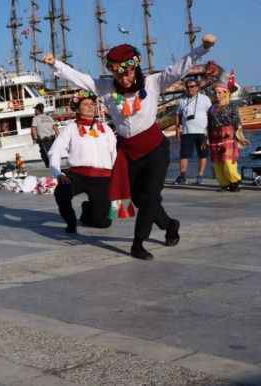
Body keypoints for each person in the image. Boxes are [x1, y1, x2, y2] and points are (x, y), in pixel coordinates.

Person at [43, 33, 217, 260]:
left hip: (155, 150)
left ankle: (138, 244)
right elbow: (80, 78)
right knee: (139, 199)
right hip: (128, 153)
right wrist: (55, 63)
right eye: (118, 74)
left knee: (151, 196)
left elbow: (179, 67)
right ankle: (170, 224)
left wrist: (203, 48)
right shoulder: (106, 88)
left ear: (135, 68)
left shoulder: (153, 83)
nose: (124, 79)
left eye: (127, 73)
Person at [49, 92, 117, 233]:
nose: (90, 107)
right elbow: (55, 151)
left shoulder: (106, 128)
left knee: (102, 222)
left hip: (102, 177)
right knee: (61, 192)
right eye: (85, 104)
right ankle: (71, 221)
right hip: (78, 175)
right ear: (78, 109)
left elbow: (115, 153)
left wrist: (117, 176)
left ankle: (88, 209)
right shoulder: (71, 128)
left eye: (92, 104)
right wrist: (58, 174)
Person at [207, 78, 249, 192]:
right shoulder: (211, 108)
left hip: (228, 137)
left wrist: (239, 136)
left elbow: (237, 122)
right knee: (217, 163)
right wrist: (207, 138)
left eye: (219, 92)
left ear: (226, 93)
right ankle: (224, 184)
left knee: (228, 161)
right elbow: (209, 124)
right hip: (214, 137)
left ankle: (235, 181)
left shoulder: (232, 106)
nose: (217, 95)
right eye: (215, 93)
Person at [174, 77, 211, 185]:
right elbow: (177, 114)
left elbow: (211, 114)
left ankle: (200, 175)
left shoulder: (205, 99)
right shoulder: (182, 100)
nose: (190, 89)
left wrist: (210, 131)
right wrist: (177, 129)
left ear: (197, 87)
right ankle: (182, 176)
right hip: (187, 131)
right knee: (184, 155)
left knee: (202, 154)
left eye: (192, 86)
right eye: (188, 87)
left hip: (202, 132)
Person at [31, 103, 59, 168]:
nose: (34, 111)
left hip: (44, 141)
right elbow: (55, 128)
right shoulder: (49, 117)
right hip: (52, 140)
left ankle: (50, 169)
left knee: (45, 156)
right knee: (53, 155)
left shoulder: (35, 118)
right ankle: (55, 168)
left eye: (35, 109)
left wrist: (35, 139)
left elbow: (33, 129)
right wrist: (59, 137)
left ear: (37, 110)